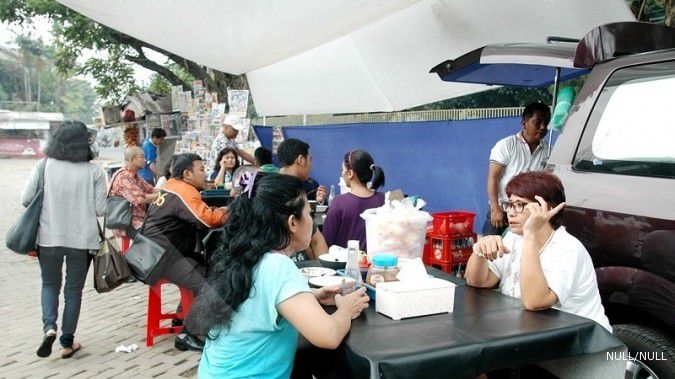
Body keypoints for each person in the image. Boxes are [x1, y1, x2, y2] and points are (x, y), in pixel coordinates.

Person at [186, 173, 370, 378]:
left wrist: (311, 296)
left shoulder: (246, 256)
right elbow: (329, 335)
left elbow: (258, 304)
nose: (312, 221)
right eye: (309, 214)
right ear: (292, 223)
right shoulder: (277, 265)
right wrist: (346, 308)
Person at [465, 171, 611, 332]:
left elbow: (535, 301)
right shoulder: (514, 238)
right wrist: (480, 251)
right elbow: (478, 281)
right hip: (529, 331)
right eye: (509, 204)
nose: (511, 212)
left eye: (520, 205)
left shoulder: (568, 249)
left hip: (583, 341)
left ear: (546, 208)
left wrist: (530, 235)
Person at [20, 121, 107, 359]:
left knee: (49, 284)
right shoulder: (95, 171)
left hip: (49, 237)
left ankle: (49, 327)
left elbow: (26, 198)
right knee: (73, 291)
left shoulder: (44, 165)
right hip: (82, 240)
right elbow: (101, 209)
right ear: (85, 143)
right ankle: (67, 342)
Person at [140, 153, 228, 351]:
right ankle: (187, 334)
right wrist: (227, 211)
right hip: (161, 258)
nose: (205, 174)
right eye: (201, 170)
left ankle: (183, 314)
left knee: (209, 269)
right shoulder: (184, 190)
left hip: (155, 252)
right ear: (187, 174)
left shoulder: (171, 185)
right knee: (210, 285)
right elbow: (207, 219)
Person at [483, 102, 551, 236]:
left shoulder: (548, 152)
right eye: (537, 123)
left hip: (528, 214)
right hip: (503, 211)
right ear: (524, 123)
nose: (543, 127)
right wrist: (495, 209)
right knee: (490, 251)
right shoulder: (507, 145)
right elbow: (493, 178)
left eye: (546, 123)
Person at [322, 149, 386, 251]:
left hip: (343, 265)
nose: (342, 173)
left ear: (350, 173)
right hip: (377, 264)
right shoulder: (384, 200)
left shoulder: (339, 203)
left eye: (342, 169)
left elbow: (326, 241)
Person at [277, 138, 328, 260]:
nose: (310, 165)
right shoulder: (282, 191)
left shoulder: (296, 189)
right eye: (309, 159)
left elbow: (315, 239)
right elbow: (315, 240)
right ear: (300, 160)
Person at [108, 146, 160, 240]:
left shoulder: (134, 176)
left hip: (138, 219)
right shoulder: (123, 177)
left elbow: (151, 189)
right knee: (156, 240)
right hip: (127, 223)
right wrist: (165, 195)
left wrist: (169, 190)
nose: (145, 160)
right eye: (142, 157)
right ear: (131, 160)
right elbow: (141, 199)